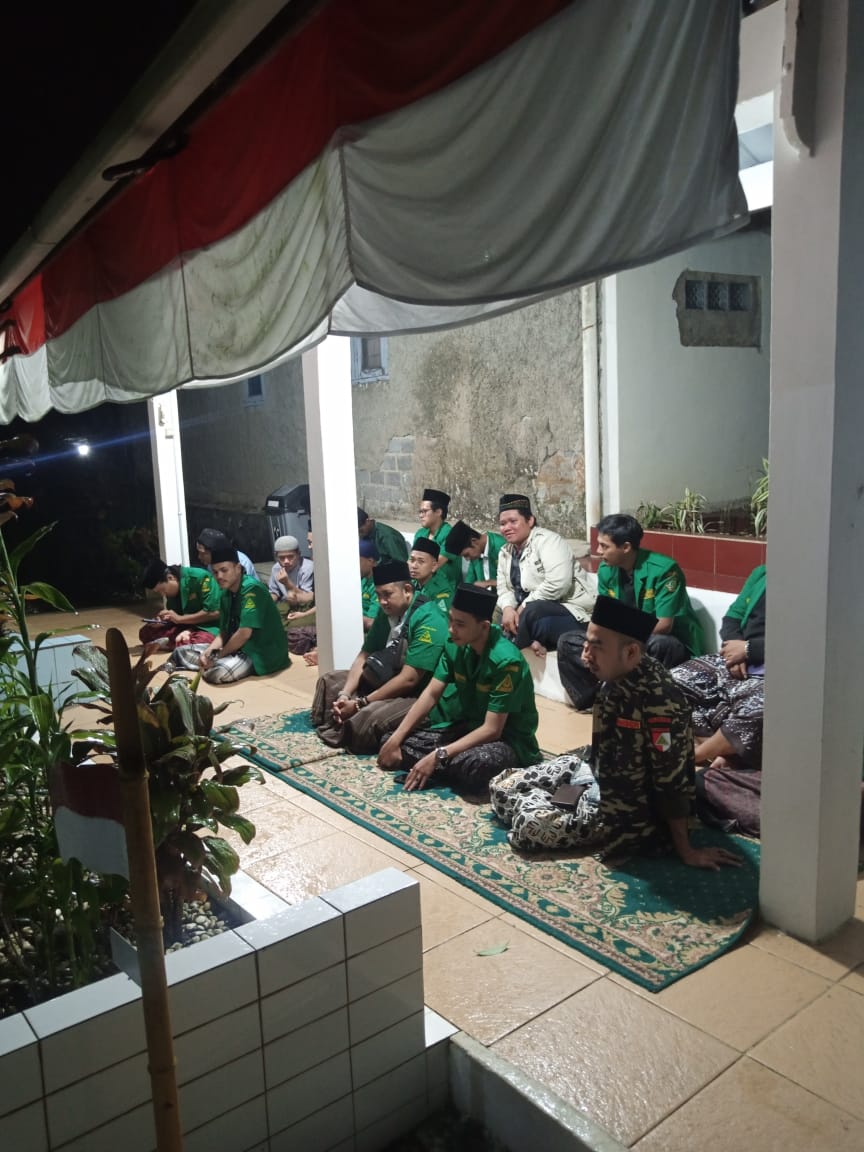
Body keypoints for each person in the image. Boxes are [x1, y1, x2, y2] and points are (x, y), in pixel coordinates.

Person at [490, 596, 741, 870]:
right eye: (586, 644)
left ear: (631, 653)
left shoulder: (660, 702)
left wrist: (686, 850)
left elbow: (672, 781)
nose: (585, 655)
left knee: (528, 824)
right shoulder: (614, 676)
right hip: (596, 772)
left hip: (623, 811)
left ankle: (551, 804)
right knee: (501, 790)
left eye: (596, 647)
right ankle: (552, 799)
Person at [378, 584, 540, 793]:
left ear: (484, 627)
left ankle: (440, 768)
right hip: (468, 728)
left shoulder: (506, 661)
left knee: (477, 765)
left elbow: (492, 730)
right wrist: (396, 739)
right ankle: (445, 769)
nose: (451, 629)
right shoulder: (454, 643)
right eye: (451, 620)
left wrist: (438, 756)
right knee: (391, 740)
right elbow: (431, 693)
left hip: (507, 740)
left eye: (460, 624)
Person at [311, 560, 449, 750]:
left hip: (417, 694)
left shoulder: (429, 619)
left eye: (387, 594)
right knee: (329, 681)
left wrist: (360, 704)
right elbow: (363, 656)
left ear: (407, 590)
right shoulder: (388, 612)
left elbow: (409, 680)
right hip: (385, 677)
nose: (382, 601)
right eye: (378, 595)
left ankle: (346, 727)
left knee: (370, 716)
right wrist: (345, 695)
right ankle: (340, 717)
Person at [672, 564, 766, 769]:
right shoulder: (763, 573)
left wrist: (749, 650)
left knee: (762, 707)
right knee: (671, 682)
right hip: (736, 658)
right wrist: (736, 651)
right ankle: (722, 753)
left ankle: (697, 755)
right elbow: (732, 617)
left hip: (777, 669)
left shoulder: (818, 586)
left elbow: (803, 642)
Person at [169, 547, 290, 682]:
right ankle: (210, 663)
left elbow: (244, 633)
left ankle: (214, 664)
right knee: (180, 652)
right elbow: (223, 633)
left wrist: (218, 656)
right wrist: (209, 652)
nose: (219, 576)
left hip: (258, 651)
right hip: (233, 647)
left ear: (238, 568)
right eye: (215, 572)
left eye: (224, 570)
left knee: (216, 673)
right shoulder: (225, 593)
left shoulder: (252, 589)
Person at [496, 493, 595, 654]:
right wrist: (508, 608)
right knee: (493, 611)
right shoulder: (505, 552)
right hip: (529, 612)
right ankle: (523, 645)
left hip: (570, 611)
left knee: (533, 613)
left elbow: (558, 583)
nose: (507, 528)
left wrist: (523, 606)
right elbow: (503, 588)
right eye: (502, 524)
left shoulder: (549, 541)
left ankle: (513, 656)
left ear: (530, 521)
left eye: (513, 521)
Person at [139, 558, 221, 649]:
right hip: (186, 625)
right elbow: (177, 616)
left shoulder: (200, 577)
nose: (163, 594)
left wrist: (180, 619)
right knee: (146, 632)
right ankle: (176, 643)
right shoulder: (172, 591)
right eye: (159, 592)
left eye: (162, 590)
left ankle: (175, 643)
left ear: (170, 577)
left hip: (209, 627)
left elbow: (214, 612)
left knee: (197, 642)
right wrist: (164, 621)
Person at [414, 487, 458, 590]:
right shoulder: (421, 533)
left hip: (443, 589)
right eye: (420, 512)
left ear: (438, 512)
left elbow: (433, 566)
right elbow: (411, 562)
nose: (421, 515)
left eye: (425, 511)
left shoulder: (451, 535)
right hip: (420, 586)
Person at [446, 519, 505, 591]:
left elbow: (515, 581)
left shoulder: (502, 547)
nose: (467, 559)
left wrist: (490, 583)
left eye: (466, 555)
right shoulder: (476, 553)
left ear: (473, 541)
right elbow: (468, 583)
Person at [268, 534, 314, 609]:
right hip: (286, 603)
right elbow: (274, 592)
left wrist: (287, 583)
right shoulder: (276, 568)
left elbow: (308, 597)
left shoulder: (308, 567)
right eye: (282, 558)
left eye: (290, 557)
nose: (286, 561)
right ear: (276, 557)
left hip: (305, 606)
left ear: (298, 554)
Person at [408, 537, 453, 604]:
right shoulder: (411, 582)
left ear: (434, 566)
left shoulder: (442, 591)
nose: (414, 566)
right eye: (412, 560)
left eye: (421, 561)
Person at [359, 538, 380, 632]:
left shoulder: (380, 585)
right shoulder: (362, 580)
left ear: (370, 561)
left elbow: (372, 622)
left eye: (358, 561)